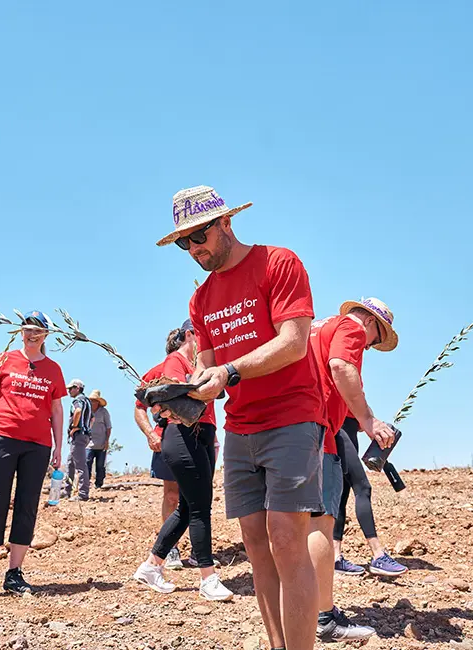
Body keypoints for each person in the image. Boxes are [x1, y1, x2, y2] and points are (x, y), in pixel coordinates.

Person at [159, 185, 326, 650]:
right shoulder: (201, 300)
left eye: (200, 236)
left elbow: (294, 341)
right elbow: (205, 369)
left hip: (292, 415)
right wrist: (182, 396)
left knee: (286, 538)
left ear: (226, 223)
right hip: (240, 427)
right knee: (255, 544)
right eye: (184, 243)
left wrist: (229, 371)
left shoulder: (278, 263)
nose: (194, 249)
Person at [308, 298, 399, 641]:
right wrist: (368, 418)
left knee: (294, 523)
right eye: (376, 339)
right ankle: (324, 617)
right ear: (373, 325)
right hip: (319, 432)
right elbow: (341, 367)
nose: (371, 345)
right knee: (321, 522)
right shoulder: (352, 328)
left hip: (292, 429)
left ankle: (300, 608)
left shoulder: (317, 327)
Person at [133, 320, 232, 601]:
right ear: (189, 335)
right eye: (203, 334)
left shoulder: (206, 362)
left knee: (189, 507)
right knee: (199, 507)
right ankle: (207, 578)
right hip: (182, 433)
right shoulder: (175, 360)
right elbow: (175, 393)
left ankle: (152, 566)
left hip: (204, 433)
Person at [0, 311, 65, 597]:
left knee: (27, 505)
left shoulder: (54, 369)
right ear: (20, 332)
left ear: (46, 335)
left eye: (38, 331)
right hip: (0, 437)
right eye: (27, 330)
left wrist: (59, 446)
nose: (32, 335)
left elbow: (57, 410)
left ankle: (14, 573)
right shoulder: (4, 360)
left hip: (37, 444)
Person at [332, 417, 407, 577]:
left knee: (342, 494)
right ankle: (378, 554)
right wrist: (369, 421)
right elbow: (349, 399)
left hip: (349, 432)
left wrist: (368, 423)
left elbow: (356, 411)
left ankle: (335, 557)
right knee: (362, 487)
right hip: (339, 430)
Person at [134, 362, 185, 568]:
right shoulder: (156, 371)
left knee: (198, 498)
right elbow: (139, 409)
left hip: (199, 439)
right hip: (167, 440)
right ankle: (171, 549)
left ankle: (201, 550)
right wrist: (150, 434)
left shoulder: (199, 366)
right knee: (172, 495)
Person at [63, 379, 92, 500]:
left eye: (71, 388)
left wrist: (75, 427)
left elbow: (78, 411)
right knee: (70, 463)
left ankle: (82, 494)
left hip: (78, 435)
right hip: (83, 435)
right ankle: (66, 490)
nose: (69, 391)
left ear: (78, 388)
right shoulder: (87, 401)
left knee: (80, 465)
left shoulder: (78, 400)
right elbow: (92, 419)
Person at [85, 390, 112, 489]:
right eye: (91, 400)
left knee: (100, 465)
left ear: (98, 402)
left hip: (101, 443)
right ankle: (85, 484)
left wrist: (107, 441)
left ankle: (99, 484)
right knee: (87, 462)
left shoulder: (104, 412)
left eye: (94, 401)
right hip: (88, 443)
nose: (92, 402)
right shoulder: (87, 412)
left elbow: (108, 427)